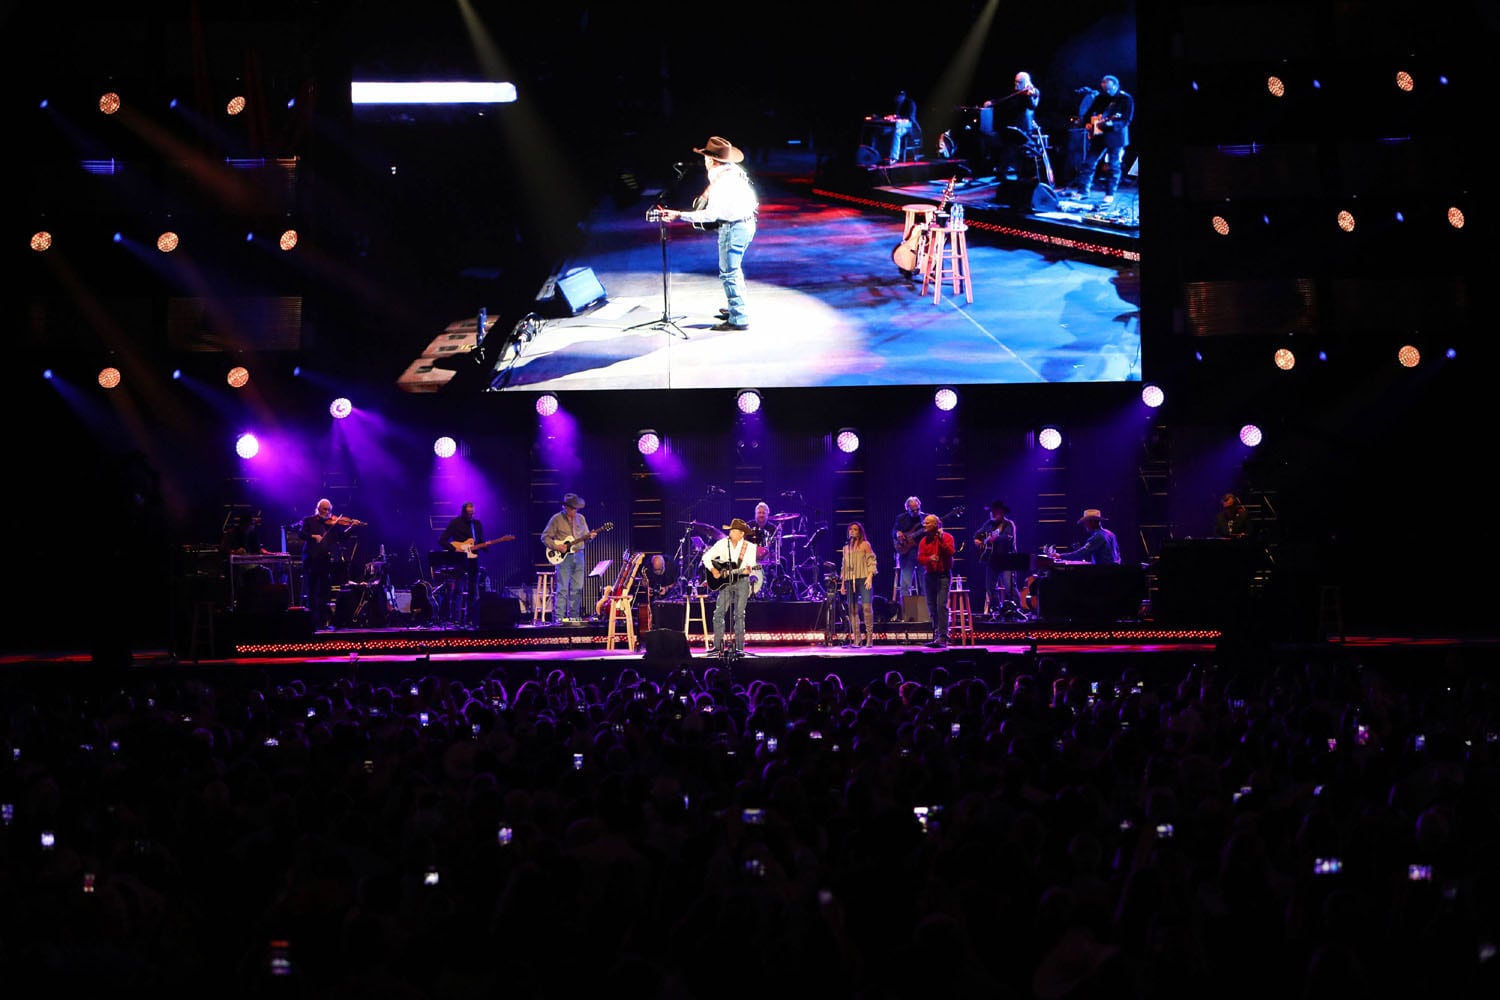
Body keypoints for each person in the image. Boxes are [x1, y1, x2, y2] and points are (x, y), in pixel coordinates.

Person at [654, 136, 759, 331]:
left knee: (729, 273)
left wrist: (679, 214)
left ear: (711, 160)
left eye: (705, 157)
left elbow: (710, 215)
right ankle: (736, 308)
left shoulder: (721, 182)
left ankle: (739, 318)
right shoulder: (733, 171)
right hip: (747, 224)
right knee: (734, 270)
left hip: (734, 228)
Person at [703, 517, 758, 658]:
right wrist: (714, 570)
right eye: (731, 530)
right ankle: (717, 646)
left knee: (739, 615)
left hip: (742, 581)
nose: (731, 533)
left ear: (741, 534)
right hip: (726, 583)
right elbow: (706, 557)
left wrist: (745, 570)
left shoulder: (750, 547)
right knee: (719, 612)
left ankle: (739, 647)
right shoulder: (722, 544)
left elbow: (747, 568)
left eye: (735, 531)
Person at [300, 498, 361, 629]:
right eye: (324, 509)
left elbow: (342, 537)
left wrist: (352, 527)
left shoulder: (331, 525)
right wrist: (313, 536)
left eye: (329, 510)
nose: (327, 512)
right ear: (318, 509)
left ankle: (322, 622)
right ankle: (311, 623)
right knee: (312, 593)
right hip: (311, 560)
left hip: (325, 562)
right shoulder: (309, 521)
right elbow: (301, 534)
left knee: (324, 593)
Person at [542, 493, 597, 624]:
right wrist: (556, 546)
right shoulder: (556, 519)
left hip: (579, 555)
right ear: (565, 507)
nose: (574, 511)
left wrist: (590, 537)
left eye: (576, 508)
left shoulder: (581, 519)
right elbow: (545, 537)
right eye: (572, 508)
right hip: (564, 558)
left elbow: (586, 537)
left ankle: (573, 618)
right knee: (562, 589)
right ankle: (559, 619)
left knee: (577, 588)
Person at [1079, 75, 1134, 204]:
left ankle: (1110, 193)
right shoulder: (1101, 97)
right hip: (1099, 135)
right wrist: (1087, 123)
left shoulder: (1126, 99)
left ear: (1116, 85)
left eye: (1109, 89)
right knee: (1088, 163)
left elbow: (1126, 120)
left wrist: (1112, 124)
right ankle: (1083, 191)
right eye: (1104, 89)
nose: (1107, 92)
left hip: (1116, 137)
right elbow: (1089, 112)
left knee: (1113, 165)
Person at [985, 71, 1041, 182]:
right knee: (1007, 148)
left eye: (1019, 82)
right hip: (1013, 128)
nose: (1016, 84)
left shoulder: (1032, 92)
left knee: (1019, 152)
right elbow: (1004, 100)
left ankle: (1022, 177)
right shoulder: (1015, 93)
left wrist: (1030, 95)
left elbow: (1033, 105)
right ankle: (1002, 173)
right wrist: (991, 102)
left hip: (1025, 129)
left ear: (1025, 82)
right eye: (1015, 81)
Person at [438, 502, 485, 626]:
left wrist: (486, 546)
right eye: (468, 513)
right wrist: (455, 549)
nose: (471, 515)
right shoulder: (455, 523)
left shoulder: (477, 524)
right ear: (463, 512)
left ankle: (471, 619)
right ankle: (456, 619)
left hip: (473, 561)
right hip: (459, 561)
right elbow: (442, 540)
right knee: (458, 590)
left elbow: (480, 541)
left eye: (472, 513)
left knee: (473, 591)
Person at [916, 513, 956, 648]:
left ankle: (943, 637)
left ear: (936, 525)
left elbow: (950, 552)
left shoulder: (947, 537)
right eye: (924, 522)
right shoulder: (923, 541)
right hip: (929, 575)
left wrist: (940, 540)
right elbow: (920, 559)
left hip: (943, 575)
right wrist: (929, 559)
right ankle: (936, 634)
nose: (924, 525)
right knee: (932, 607)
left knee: (941, 606)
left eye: (927, 523)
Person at [974, 499, 1019, 618]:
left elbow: (1008, 538)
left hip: (1006, 559)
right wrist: (978, 541)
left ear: (1002, 512)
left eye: (995, 511)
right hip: (992, 560)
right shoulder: (988, 524)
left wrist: (994, 538)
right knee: (990, 587)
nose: (993, 513)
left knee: (1010, 587)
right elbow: (977, 535)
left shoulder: (1008, 524)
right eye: (992, 511)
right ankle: (996, 609)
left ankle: (1017, 609)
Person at [838, 521, 878, 647]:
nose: (852, 531)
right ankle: (857, 637)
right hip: (850, 580)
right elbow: (844, 567)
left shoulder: (865, 545)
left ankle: (870, 637)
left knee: (866, 607)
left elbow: (872, 561)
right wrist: (842, 584)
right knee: (852, 609)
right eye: (851, 529)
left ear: (860, 531)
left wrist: (870, 576)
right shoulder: (846, 548)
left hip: (864, 579)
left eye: (855, 529)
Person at [891, 496, 927, 609]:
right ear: (907, 508)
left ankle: (926, 611)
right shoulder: (901, 518)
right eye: (913, 510)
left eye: (917, 509)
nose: (916, 512)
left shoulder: (926, 518)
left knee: (924, 583)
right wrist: (897, 534)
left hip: (923, 552)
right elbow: (893, 531)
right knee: (905, 584)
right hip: (907, 553)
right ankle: (907, 611)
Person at [1053, 508, 1121, 565]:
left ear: (1091, 522)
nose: (1085, 525)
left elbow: (1081, 554)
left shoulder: (1097, 537)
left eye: (1085, 522)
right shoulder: (1110, 534)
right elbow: (1117, 554)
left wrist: (1060, 556)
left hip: (1104, 573)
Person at [887, 88, 921, 163]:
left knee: (897, 133)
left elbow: (910, 117)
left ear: (904, 96)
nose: (898, 98)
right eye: (897, 96)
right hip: (896, 125)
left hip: (909, 126)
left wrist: (897, 117)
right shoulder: (895, 104)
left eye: (900, 96)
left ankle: (894, 157)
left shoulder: (910, 103)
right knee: (883, 131)